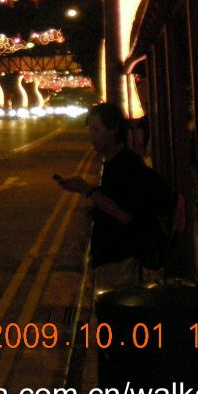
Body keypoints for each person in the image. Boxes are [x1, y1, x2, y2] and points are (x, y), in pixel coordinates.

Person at [56, 102, 159, 295]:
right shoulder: (113, 162)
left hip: (120, 259)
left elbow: (125, 214)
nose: (92, 135)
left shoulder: (126, 164)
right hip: (110, 258)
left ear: (113, 130)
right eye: (90, 129)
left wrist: (87, 190)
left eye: (97, 129)